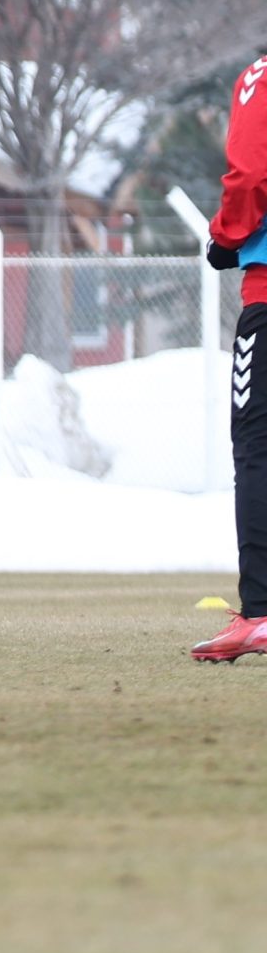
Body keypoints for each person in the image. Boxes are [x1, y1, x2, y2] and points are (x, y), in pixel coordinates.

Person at [196, 49, 267, 661]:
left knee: (258, 444)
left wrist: (225, 237)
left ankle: (264, 612)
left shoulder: (262, 76)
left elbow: (248, 176)